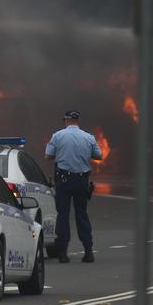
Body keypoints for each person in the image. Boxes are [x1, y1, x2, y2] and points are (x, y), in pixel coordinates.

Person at [45, 110, 102, 263]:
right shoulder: (88, 137)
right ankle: (88, 251)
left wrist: (63, 153)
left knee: (62, 215)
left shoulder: (58, 136)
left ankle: (62, 253)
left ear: (66, 120)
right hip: (81, 180)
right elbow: (99, 155)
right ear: (78, 120)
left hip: (63, 181)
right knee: (81, 214)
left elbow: (48, 155)